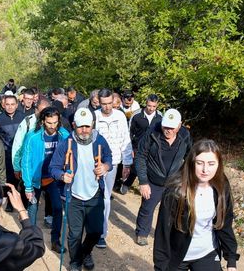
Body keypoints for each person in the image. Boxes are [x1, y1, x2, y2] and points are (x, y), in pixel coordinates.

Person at [153, 139, 239, 271]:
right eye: (200, 163)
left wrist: (231, 258)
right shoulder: (176, 190)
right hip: (177, 256)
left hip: (207, 252)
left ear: (219, 164)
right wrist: (160, 266)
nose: (205, 170)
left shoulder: (222, 186)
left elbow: (225, 223)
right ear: (192, 163)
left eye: (211, 164)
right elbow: (163, 231)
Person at [49, 108, 112, 271]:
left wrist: (105, 166)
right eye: (80, 127)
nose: (84, 130)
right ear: (73, 125)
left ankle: (85, 253)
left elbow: (109, 158)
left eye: (87, 126)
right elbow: (53, 168)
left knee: (96, 232)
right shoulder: (66, 143)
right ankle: (75, 262)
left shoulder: (100, 141)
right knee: (75, 234)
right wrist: (62, 176)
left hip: (94, 195)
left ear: (92, 125)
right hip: (73, 196)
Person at [135, 108, 192, 246]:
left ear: (179, 126)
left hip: (173, 181)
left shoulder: (185, 135)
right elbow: (141, 156)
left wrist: (186, 178)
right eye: (165, 126)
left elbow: (190, 157)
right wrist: (143, 181)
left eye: (172, 128)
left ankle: (167, 237)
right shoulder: (152, 133)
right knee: (147, 208)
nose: (168, 130)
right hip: (153, 179)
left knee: (172, 211)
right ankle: (142, 233)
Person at [21, 107, 70, 253]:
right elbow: (26, 162)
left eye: (55, 122)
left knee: (57, 208)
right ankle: (30, 241)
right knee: (33, 209)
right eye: (49, 123)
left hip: (53, 178)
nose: (52, 126)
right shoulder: (32, 136)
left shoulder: (64, 135)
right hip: (36, 179)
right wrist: (28, 186)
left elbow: (70, 156)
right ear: (43, 121)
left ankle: (55, 241)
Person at [93, 88, 132, 248]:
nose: (107, 107)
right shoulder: (94, 116)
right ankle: (89, 226)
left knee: (105, 197)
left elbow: (125, 139)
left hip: (113, 163)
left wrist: (127, 163)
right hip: (94, 163)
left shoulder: (120, 116)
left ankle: (102, 233)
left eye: (110, 103)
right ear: (99, 102)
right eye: (104, 104)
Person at [121, 94, 162, 194]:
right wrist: (130, 148)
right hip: (137, 147)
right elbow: (129, 133)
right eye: (149, 106)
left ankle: (146, 187)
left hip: (152, 148)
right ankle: (126, 183)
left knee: (149, 168)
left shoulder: (160, 117)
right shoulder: (136, 115)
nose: (151, 108)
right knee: (136, 167)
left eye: (154, 106)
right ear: (146, 103)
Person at [0, 91, 26, 211]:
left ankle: (24, 202)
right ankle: (9, 202)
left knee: (23, 179)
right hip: (7, 153)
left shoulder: (23, 117)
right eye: (7, 104)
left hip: (21, 153)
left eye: (12, 104)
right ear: (3, 105)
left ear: (17, 104)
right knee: (10, 179)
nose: (10, 106)